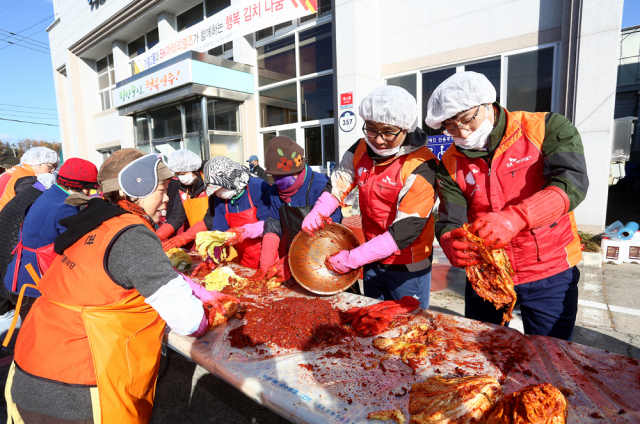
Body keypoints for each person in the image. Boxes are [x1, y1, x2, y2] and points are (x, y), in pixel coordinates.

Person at [6, 149, 235, 423]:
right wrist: (216, 311)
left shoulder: (95, 220)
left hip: (32, 364)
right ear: (136, 189)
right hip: (78, 385)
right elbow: (189, 321)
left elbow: (128, 274)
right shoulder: (132, 236)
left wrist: (197, 289)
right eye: (161, 189)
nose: (166, 198)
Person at [425, 71, 588, 341]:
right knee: (485, 351)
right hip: (487, 272)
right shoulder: (450, 161)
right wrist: (448, 241)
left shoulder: (547, 127)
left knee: (550, 354)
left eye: (467, 120)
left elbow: (572, 183)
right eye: (451, 128)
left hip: (548, 270)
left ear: (488, 103)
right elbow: (450, 217)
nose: (462, 132)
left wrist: (517, 218)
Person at [302, 86, 438, 309]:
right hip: (371, 256)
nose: (378, 140)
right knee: (372, 316)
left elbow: (404, 231)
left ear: (406, 128)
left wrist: (351, 259)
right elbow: (341, 180)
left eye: (388, 132)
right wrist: (319, 211)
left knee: (408, 326)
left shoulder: (423, 166)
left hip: (406, 263)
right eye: (371, 129)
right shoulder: (361, 148)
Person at [4, 158, 100, 320]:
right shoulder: (65, 206)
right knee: (40, 335)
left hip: (20, 272)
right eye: (88, 189)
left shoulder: (49, 194)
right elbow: (74, 245)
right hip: (35, 282)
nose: (89, 193)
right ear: (78, 186)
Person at [257, 136, 342, 275]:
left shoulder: (321, 185)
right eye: (274, 176)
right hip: (291, 262)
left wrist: (294, 262)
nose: (278, 181)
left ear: (299, 168)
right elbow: (273, 227)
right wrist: (264, 265)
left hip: (326, 262)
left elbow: (329, 234)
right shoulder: (274, 191)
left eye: (283, 175)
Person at [197, 156, 271, 269]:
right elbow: (219, 233)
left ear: (230, 178)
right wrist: (212, 257)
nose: (217, 193)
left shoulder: (258, 187)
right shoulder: (219, 199)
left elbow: (269, 223)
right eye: (214, 190)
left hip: (270, 257)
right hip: (245, 260)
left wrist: (244, 231)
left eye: (219, 188)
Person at [156, 149, 208, 245]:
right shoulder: (183, 189)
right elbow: (177, 217)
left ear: (194, 169)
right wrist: (157, 236)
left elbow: (211, 217)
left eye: (183, 174)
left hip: (217, 236)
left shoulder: (210, 185)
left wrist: (184, 237)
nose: (181, 177)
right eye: (177, 174)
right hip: (198, 239)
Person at [0, 146, 59, 212]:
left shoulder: (15, 171)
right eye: (51, 167)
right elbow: (33, 210)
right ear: (35, 162)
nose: (52, 171)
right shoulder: (27, 180)